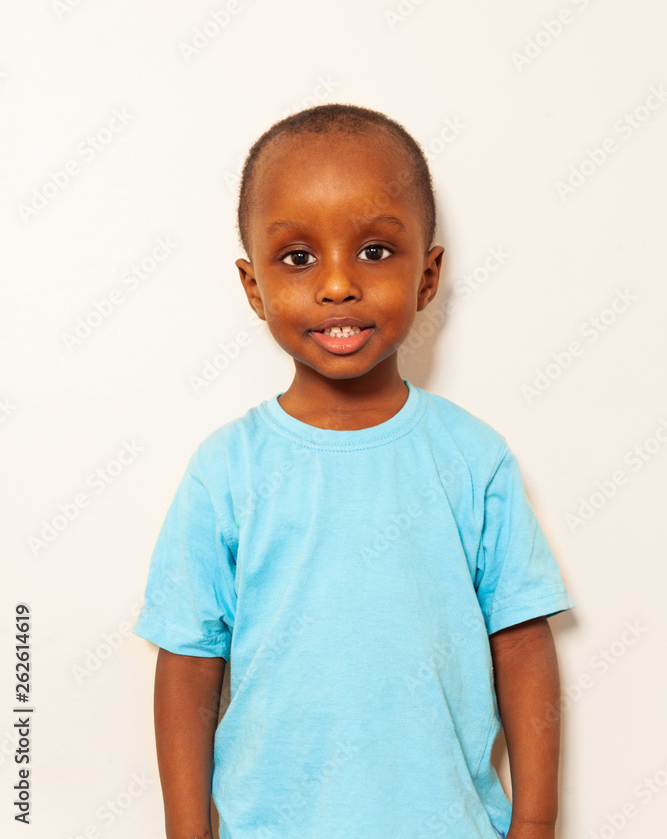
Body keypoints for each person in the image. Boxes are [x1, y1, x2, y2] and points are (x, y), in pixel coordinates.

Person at [132, 102, 575, 839]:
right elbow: (188, 659)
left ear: (427, 276)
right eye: (297, 257)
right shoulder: (226, 469)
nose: (337, 284)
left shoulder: (473, 458)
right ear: (253, 287)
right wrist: (187, 831)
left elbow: (522, 642)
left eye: (374, 250)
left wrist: (534, 820)